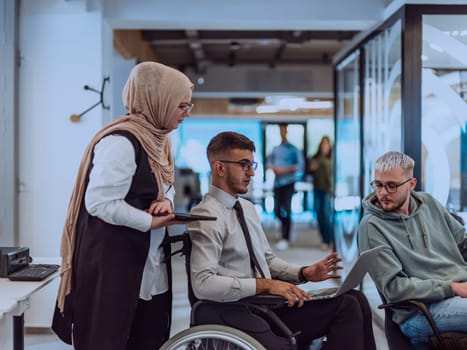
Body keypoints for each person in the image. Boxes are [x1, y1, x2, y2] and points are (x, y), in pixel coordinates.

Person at [188, 131, 376, 350]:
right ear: (219, 168)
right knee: (347, 308)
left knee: (356, 300)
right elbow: (203, 284)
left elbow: (266, 260)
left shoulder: (247, 208)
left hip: (267, 307)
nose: (251, 173)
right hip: (241, 310)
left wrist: (303, 273)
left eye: (252, 165)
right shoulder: (206, 216)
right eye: (243, 165)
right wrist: (265, 285)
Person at [51, 62, 194, 350]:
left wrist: (165, 200)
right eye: (181, 106)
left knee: (148, 338)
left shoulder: (159, 141)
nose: (186, 114)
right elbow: (99, 202)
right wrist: (149, 221)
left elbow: (164, 183)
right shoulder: (121, 142)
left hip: (147, 267)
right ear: (159, 102)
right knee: (109, 340)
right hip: (114, 267)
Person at [358, 151, 467, 346]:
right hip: (420, 312)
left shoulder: (429, 204)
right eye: (378, 184)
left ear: (411, 184)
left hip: (458, 293)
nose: (382, 193)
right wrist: (452, 288)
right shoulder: (371, 226)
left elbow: (463, 243)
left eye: (391, 186)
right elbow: (394, 289)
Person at [267, 123, 304, 251]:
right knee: (276, 210)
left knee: (287, 209)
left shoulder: (293, 149)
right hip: (277, 183)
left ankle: (286, 236)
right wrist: (274, 169)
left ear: (286, 132)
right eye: (280, 131)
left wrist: (285, 170)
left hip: (289, 183)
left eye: (284, 131)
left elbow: (300, 166)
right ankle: (284, 227)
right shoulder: (275, 149)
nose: (282, 133)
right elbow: (269, 163)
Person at [308, 136, 333, 251]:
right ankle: (323, 238)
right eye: (322, 144)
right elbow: (309, 171)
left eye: (326, 144)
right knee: (319, 214)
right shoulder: (315, 157)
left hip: (327, 190)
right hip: (317, 189)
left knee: (326, 215)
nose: (324, 146)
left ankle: (328, 240)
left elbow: (329, 170)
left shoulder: (331, 158)